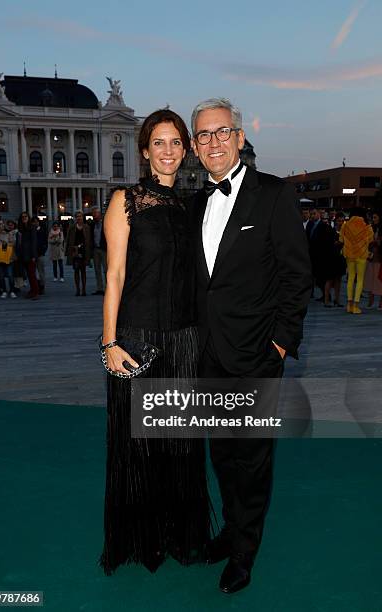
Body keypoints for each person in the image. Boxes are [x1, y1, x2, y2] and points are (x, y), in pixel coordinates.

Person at [190, 98, 312, 594]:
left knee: (253, 458)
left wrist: (280, 344)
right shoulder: (196, 203)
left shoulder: (275, 195)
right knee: (221, 454)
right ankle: (230, 530)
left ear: (240, 138)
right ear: (196, 148)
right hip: (208, 355)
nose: (214, 142)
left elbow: (296, 276)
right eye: (204, 135)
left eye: (223, 132)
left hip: (258, 355)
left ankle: (245, 551)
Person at [99, 109, 210, 575]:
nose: (167, 150)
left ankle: (181, 535)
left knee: (181, 442)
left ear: (185, 150)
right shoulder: (125, 200)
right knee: (142, 445)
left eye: (175, 142)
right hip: (138, 337)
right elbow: (116, 275)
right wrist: (109, 343)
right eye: (158, 142)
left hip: (185, 338)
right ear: (144, 151)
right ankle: (144, 539)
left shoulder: (192, 206)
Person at [339, 207, 374, 314]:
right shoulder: (367, 227)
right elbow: (371, 240)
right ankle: (356, 305)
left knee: (350, 278)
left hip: (349, 254)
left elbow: (341, 239)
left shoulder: (345, 225)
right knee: (360, 280)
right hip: (362, 255)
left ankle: (349, 305)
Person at [65, 211, 91, 296]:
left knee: (83, 271)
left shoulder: (86, 227)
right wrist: (67, 251)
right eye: (77, 216)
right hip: (74, 251)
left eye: (80, 216)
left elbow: (89, 240)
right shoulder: (72, 227)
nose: (79, 218)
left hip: (84, 251)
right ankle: (77, 289)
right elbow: (68, 239)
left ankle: (84, 289)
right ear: (75, 218)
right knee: (76, 270)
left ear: (82, 217)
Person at [305, 208, 329, 301]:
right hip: (311, 253)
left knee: (320, 277)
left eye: (314, 214)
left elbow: (325, 241)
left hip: (320, 254)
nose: (312, 215)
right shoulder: (310, 224)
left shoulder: (323, 225)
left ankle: (325, 295)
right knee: (310, 275)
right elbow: (307, 237)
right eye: (311, 214)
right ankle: (310, 293)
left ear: (319, 214)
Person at [16, 211, 39, 300]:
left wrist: (34, 256)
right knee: (29, 275)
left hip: (30, 255)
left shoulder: (32, 227)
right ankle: (32, 290)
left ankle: (35, 292)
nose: (24, 218)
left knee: (32, 274)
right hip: (23, 255)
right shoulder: (20, 229)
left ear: (28, 218)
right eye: (22, 217)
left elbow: (34, 242)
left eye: (26, 216)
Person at [364, 211, 382, 310]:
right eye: (373, 218)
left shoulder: (379, 228)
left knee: (379, 280)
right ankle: (370, 302)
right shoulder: (371, 228)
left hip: (379, 257)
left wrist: (377, 241)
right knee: (371, 279)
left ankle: (380, 303)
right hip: (372, 257)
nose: (373, 219)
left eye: (375, 217)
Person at [0, 220, 17, 298]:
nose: (1, 225)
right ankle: (4, 291)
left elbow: (13, 243)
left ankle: (12, 291)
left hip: (9, 257)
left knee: (10, 275)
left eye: (2, 224)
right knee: (1, 276)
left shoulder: (9, 233)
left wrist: (5, 243)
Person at [90, 207, 107, 295]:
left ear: (99, 214)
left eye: (95, 214)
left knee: (106, 270)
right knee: (97, 270)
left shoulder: (106, 223)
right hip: (96, 249)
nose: (93, 215)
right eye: (93, 214)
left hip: (104, 249)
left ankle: (108, 288)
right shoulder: (92, 224)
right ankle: (99, 288)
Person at [31, 216, 48, 295]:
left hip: (40, 254)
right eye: (33, 221)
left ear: (38, 222)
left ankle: (42, 287)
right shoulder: (30, 230)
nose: (35, 223)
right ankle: (36, 287)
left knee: (41, 271)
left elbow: (45, 242)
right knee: (33, 272)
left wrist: (43, 251)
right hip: (32, 255)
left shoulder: (42, 230)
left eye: (36, 221)